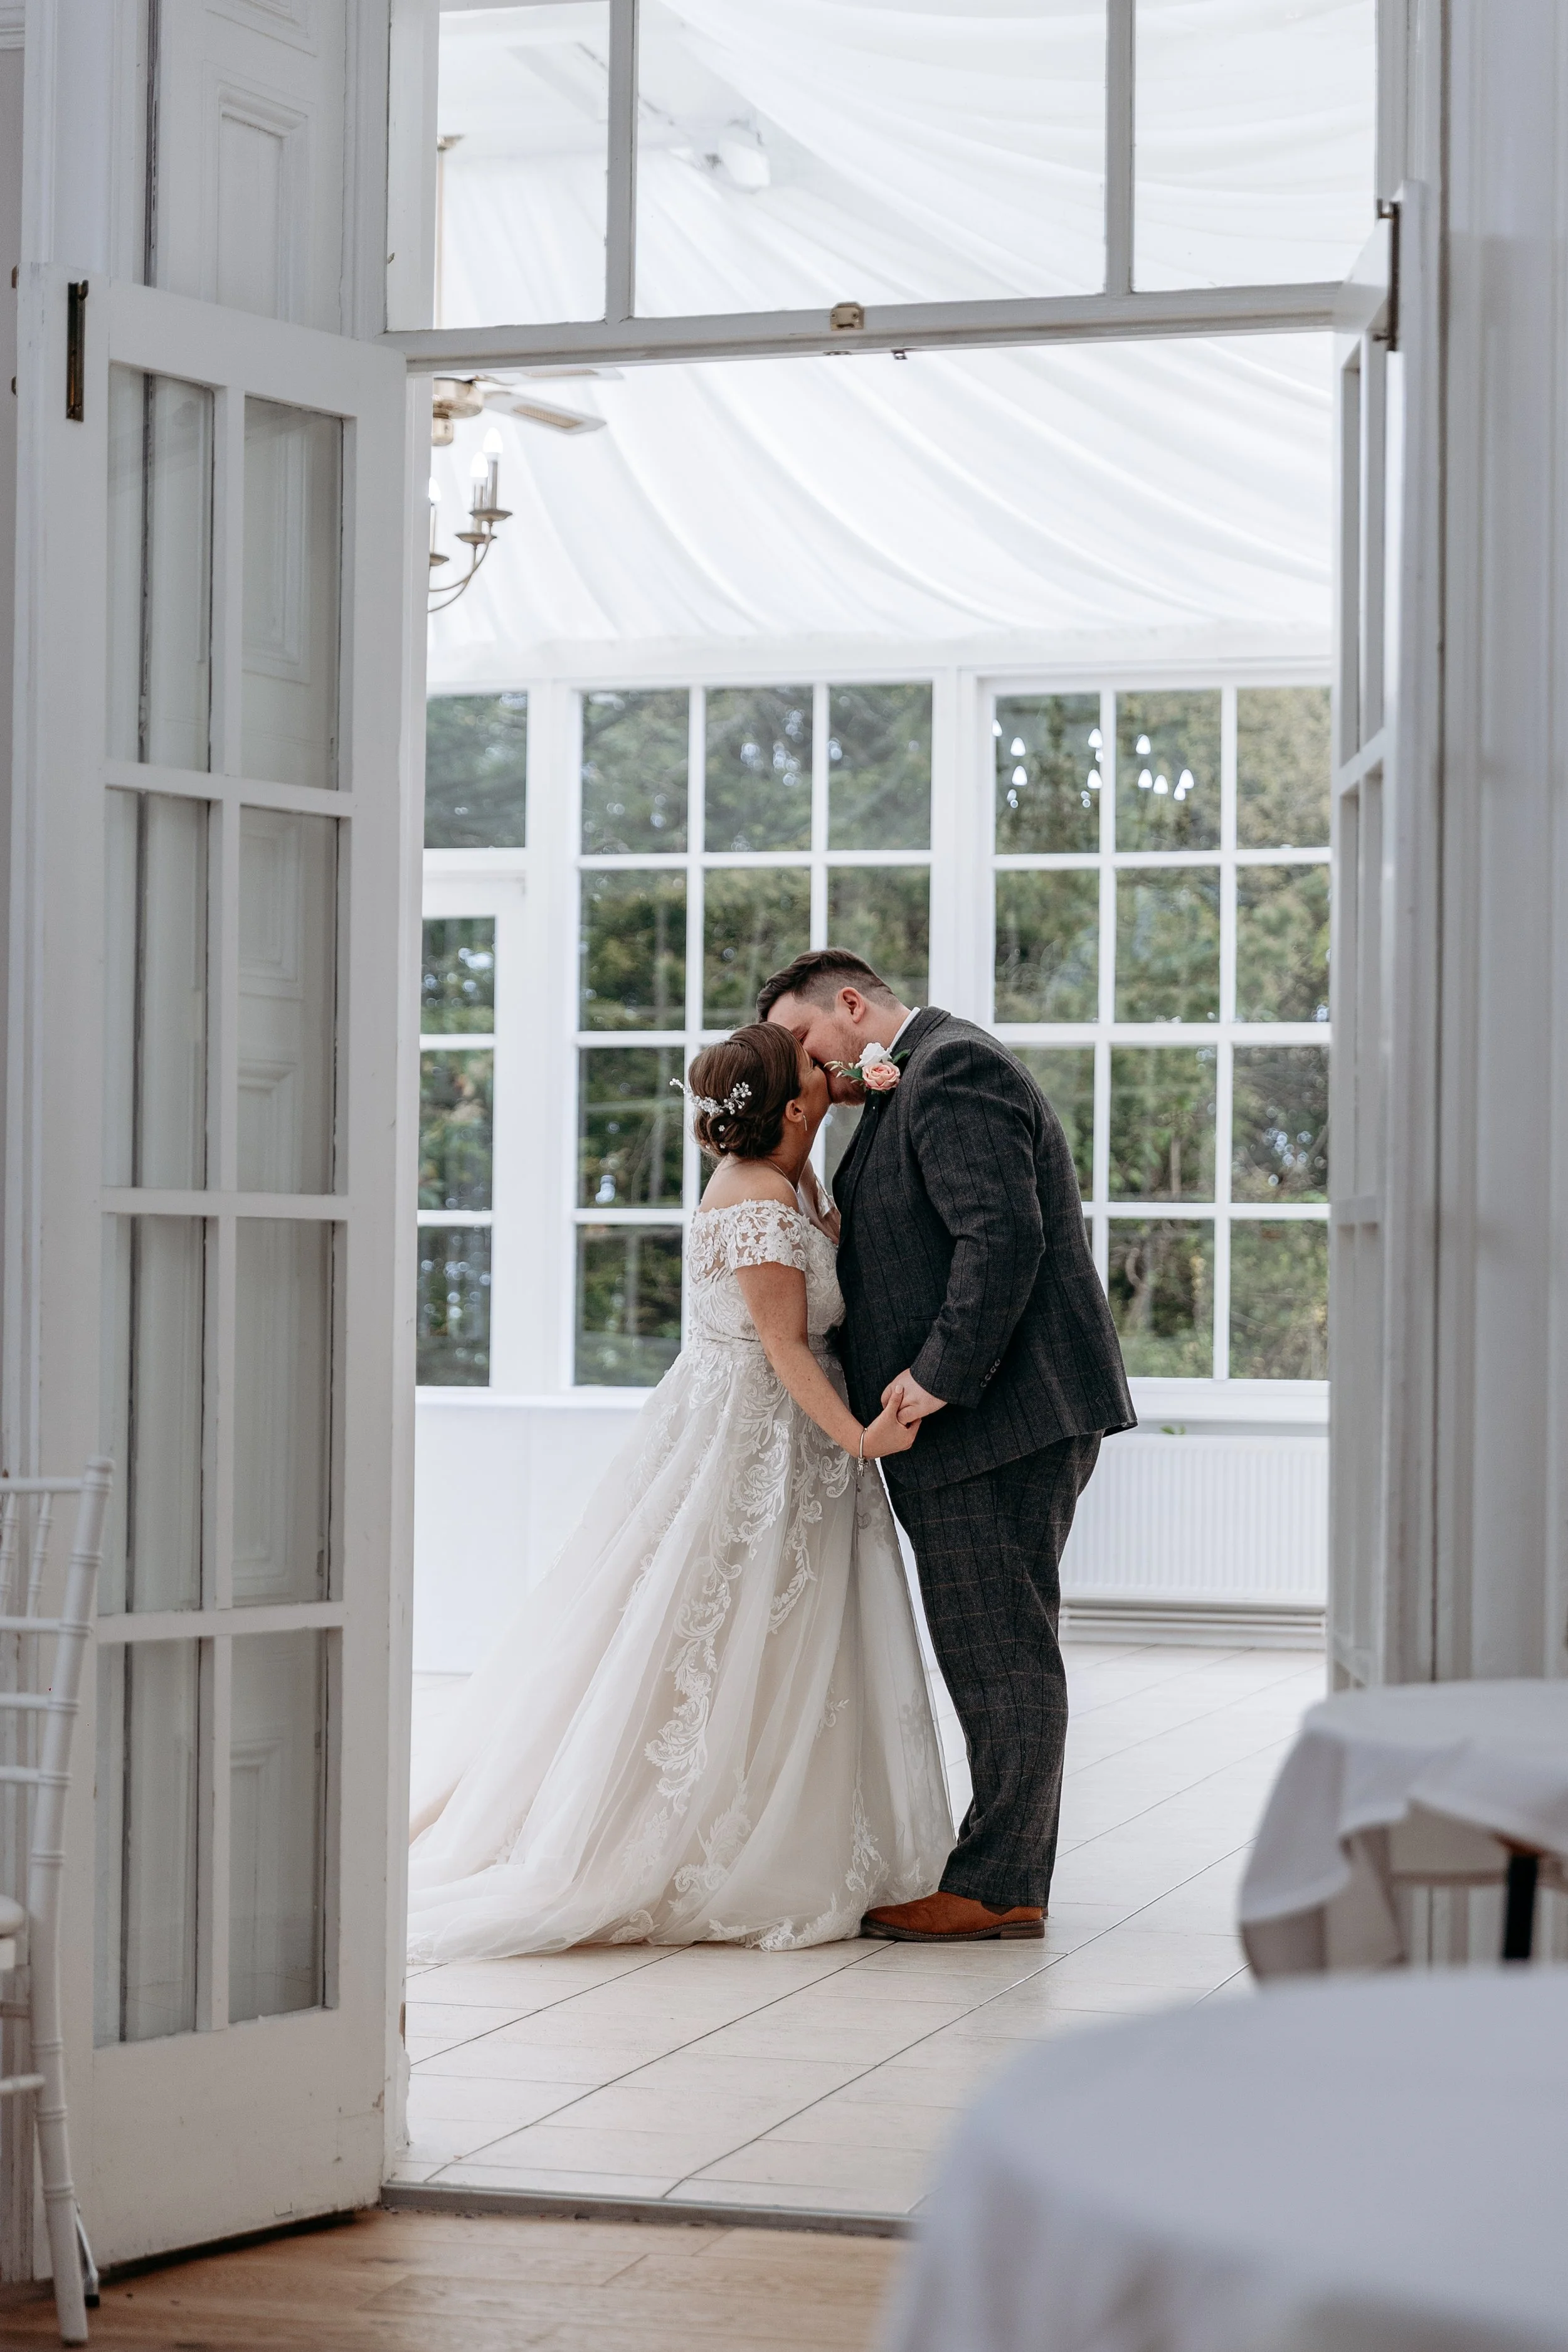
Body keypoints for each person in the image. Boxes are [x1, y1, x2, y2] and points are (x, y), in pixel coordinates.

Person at [406, 1022, 953, 1957]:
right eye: (816, 1072)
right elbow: (784, 1348)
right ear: (786, 1108)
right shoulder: (755, 1203)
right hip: (756, 1440)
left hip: (782, 1440)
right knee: (720, 1632)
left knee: (786, 1638)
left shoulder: (785, 1175)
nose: (834, 1072)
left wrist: (842, 1101)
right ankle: (692, 1836)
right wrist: (860, 1436)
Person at [761, 948, 1135, 1944]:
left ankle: (1001, 1882)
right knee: (994, 1640)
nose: (803, 1064)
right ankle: (1001, 1867)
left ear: (851, 1004)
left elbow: (1000, 1238)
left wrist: (932, 1380)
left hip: (994, 1418)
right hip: (978, 1422)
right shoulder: (906, 1082)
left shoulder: (953, 1067)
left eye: (803, 1039)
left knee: (999, 1644)